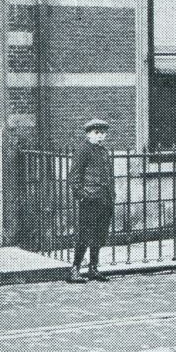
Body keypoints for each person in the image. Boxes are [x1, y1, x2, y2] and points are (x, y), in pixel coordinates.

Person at [67, 118, 116, 282]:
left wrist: (111, 195)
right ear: (88, 134)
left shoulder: (103, 151)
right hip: (90, 200)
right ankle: (75, 270)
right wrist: (82, 195)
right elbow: (74, 177)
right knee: (84, 235)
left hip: (104, 199)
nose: (100, 136)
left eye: (103, 133)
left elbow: (109, 176)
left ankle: (93, 269)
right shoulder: (83, 150)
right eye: (97, 133)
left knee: (99, 234)